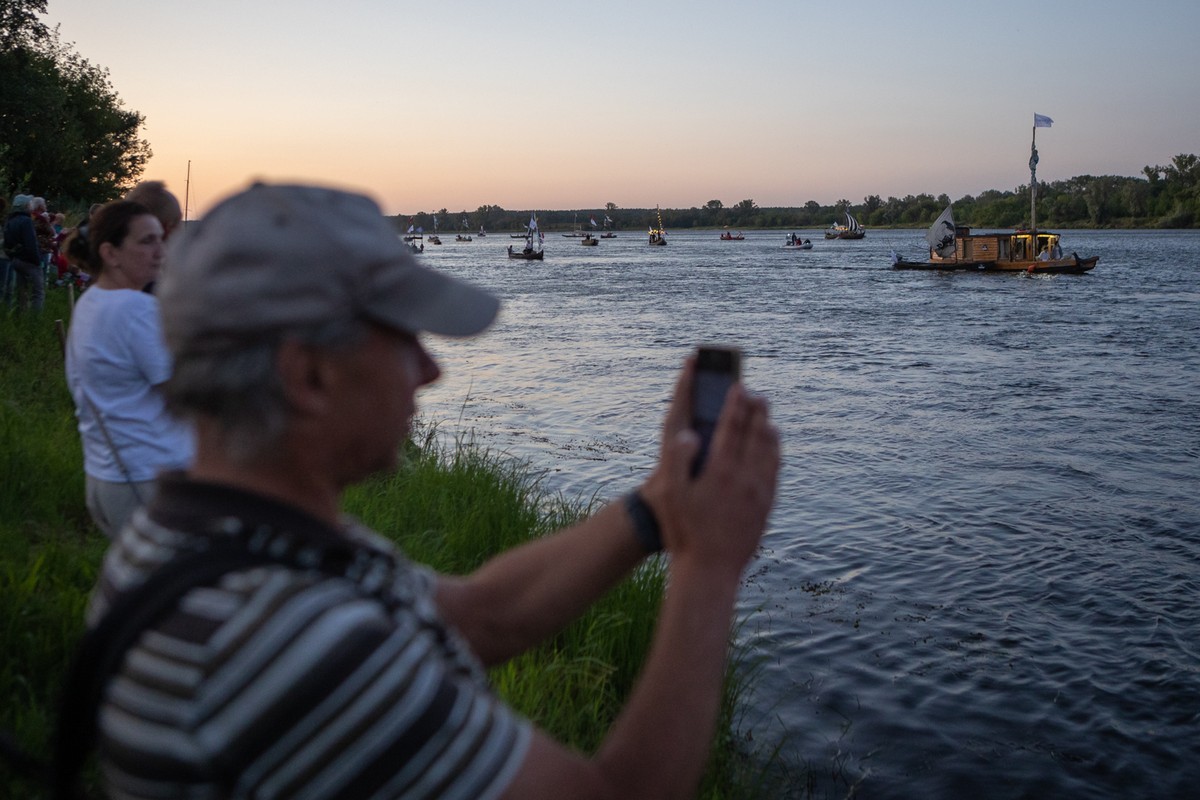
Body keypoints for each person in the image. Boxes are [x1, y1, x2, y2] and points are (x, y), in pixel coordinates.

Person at [84, 182, 780, 799]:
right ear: (309, 376)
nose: (430, 371)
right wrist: (708, 565)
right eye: (402, 338)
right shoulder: (294, 641)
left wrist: (656, 508)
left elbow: (479, 615)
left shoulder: (216, 535)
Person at [64, 200, 194, 538]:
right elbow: (186, 392)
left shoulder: (92, 301)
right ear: (110, 253)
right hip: (148, 477)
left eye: (160, 239)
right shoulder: (136, 309)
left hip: (108, 473)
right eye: (146, 241)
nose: (161, 251)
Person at [3, 193, 44, 312]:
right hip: (29, 261)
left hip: (16, 260)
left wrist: (13, 257)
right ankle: (34, 320)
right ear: (25, 206)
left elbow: (7, 243)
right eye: (29, 203)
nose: (31, 205)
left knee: (21, 292)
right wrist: (37, 261)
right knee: (38, 292)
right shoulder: (26, 221)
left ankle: (20, 317)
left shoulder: (10, 220)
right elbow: (31, 244)